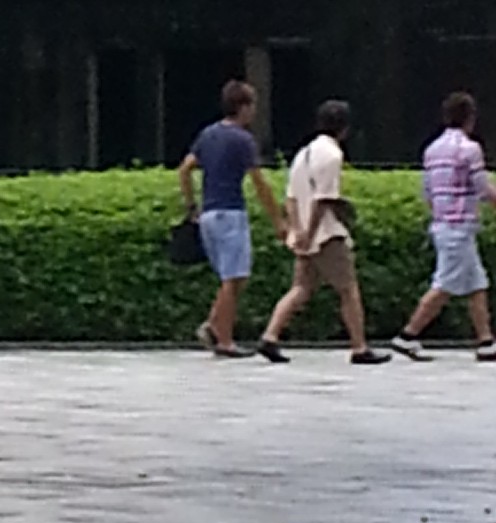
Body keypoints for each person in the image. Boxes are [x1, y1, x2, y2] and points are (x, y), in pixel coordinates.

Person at [257, 100, 417, 363]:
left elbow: (292, 197)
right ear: (344, 129)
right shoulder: (332, 155)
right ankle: (359, 347)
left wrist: (296, 229)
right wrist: (310, 231)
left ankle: (270, 336)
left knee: (301, 288)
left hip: (304, 231)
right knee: (348, 289)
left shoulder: (304, 153)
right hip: (326, 233)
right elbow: (324, 199)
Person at [178, 80, 286, 356]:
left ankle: (213, 324)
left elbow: (185, 169)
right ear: (243, 107)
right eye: (252, 105)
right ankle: (224, 340)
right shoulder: (243, 140)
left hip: (209, 215)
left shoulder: (208, 134)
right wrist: (278, 220)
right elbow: (260, 184)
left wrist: (191, 206)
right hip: (231, 213)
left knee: (233, 278)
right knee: (234, 277)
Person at [399, 92, 496, 359]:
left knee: (477, 283)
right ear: (470, 118)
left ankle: (486, 341)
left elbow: (428, 192)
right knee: (444, 285)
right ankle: (408, 334)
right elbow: (482, 188)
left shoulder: (431, 149)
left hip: (443, 224)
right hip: (460, 225)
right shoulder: (469, 149)